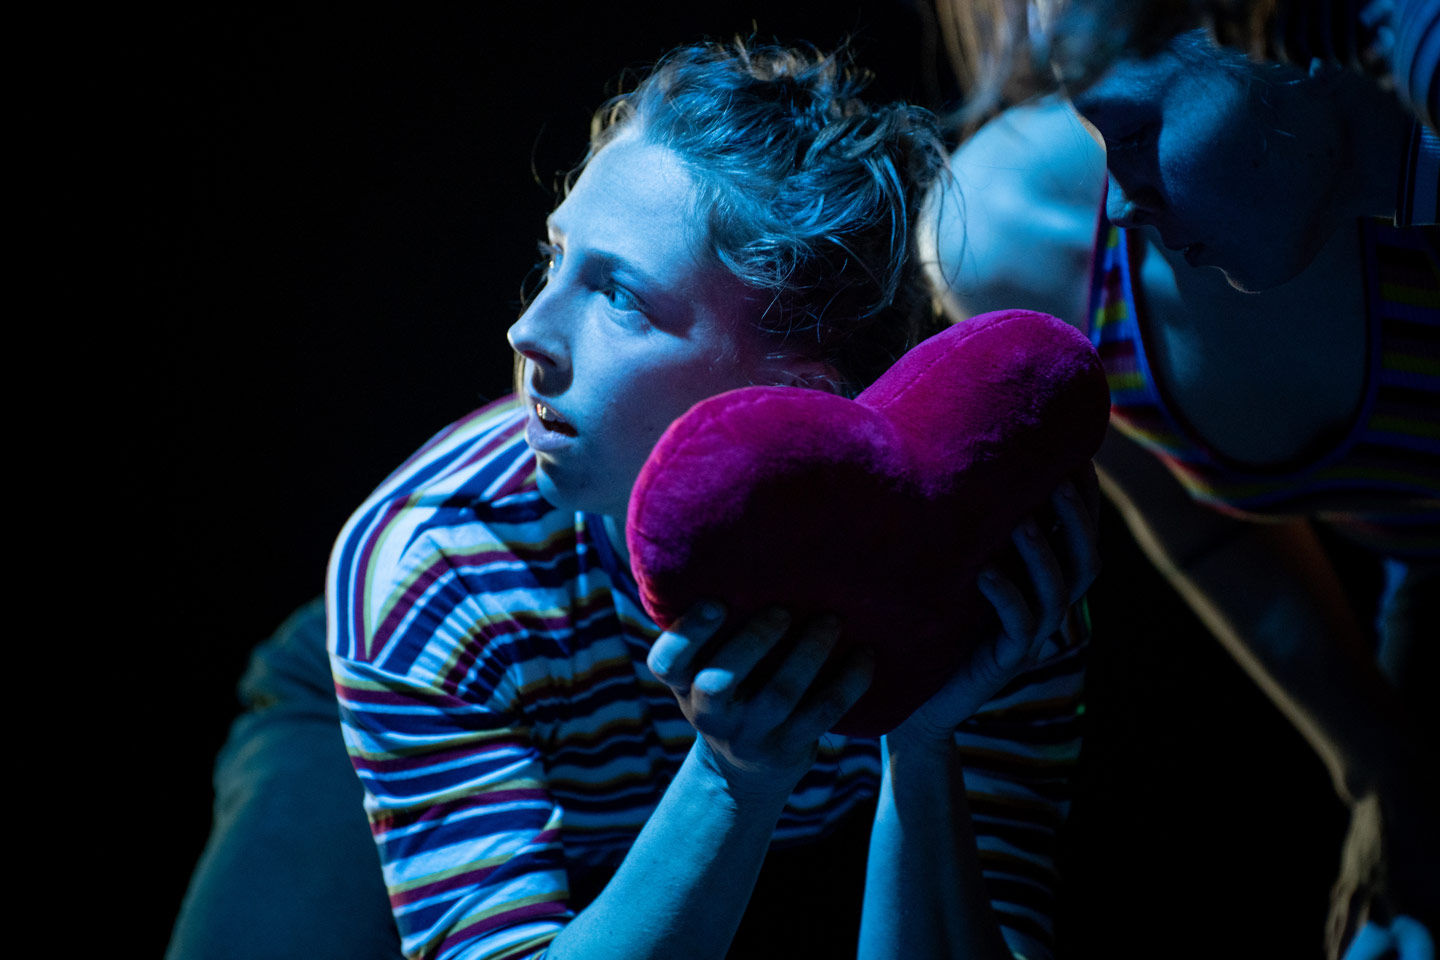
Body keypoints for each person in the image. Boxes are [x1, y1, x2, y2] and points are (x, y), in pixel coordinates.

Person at [325, 38, 1099, 960]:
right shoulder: (437, 571)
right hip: (412, 740)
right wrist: (730, 780)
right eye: (555, 257)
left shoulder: (998, 566)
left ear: (797, 396)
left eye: (619, 297)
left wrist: (922, 735)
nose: (528, 329)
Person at [924, 20, 1438, 960]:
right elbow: (1207, 537)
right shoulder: (1013, 237)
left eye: (1126, 130)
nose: (1120, 204)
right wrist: (1384, 772)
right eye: (1094, 122)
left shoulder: (1412, 60)